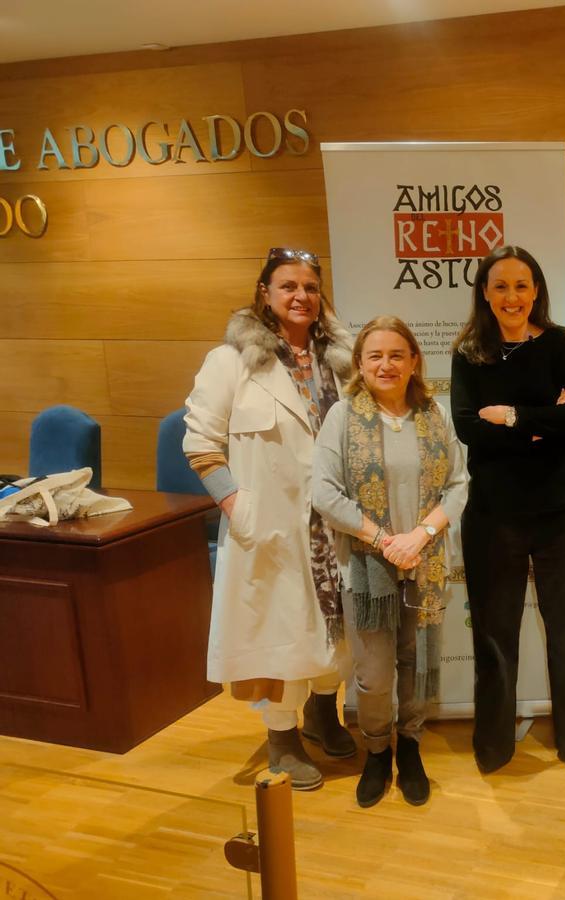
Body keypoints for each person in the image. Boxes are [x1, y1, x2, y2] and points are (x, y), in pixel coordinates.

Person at [184, 247, 356, 790]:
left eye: (310, 286)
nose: (300, 296)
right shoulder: (230, 361)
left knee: (337, 626)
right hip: (272, 528)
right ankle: (282, 736)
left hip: (333, 523)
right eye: (288, 286)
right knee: (279, 632)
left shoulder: (340, 361)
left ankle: (324, 712)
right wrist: (240, 507)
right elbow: (201, 444)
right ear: (265, 292)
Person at [450, 245, 565, 772]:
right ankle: (492, 746)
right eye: (500, 286)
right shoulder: (469, 353)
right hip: (494, 517)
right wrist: (543, 423)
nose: (511, 296)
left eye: (521, 285)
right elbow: (468, 429)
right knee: (494, 636)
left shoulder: (560, 342)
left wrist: (512, 418)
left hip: (564, 513)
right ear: (484, 293)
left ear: (536, 290)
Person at [312, 316, 467, 807]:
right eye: (375, 355)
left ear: (414, 361)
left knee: (418, 664)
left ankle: (412, 747)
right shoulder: (343, 417)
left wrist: (420, 535)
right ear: (359, 363)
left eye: (396, 354)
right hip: (367, 566)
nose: (386, 364)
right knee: (374, 672)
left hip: (425, 562)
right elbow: (324, 493)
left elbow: (460, 484)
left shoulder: (435, 415)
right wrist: (384, 540)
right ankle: (378, 751)